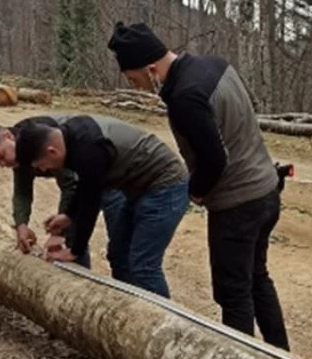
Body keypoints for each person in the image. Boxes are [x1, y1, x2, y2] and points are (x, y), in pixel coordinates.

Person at [107, 22, 290, 350]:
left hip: (237, 204)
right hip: (266, 190)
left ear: (152, 69)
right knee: (257, 278)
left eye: (136, 81)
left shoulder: (184, 96)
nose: (140, 89)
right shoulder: (214, 65)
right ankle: (282, 354)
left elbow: (215, 159)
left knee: (232, 292)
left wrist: (196, 191)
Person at [14, 114, 189, 298]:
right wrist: (69, 216)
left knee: (143, 265)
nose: (43, 171)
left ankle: (165, 320)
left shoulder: (88, 148)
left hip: (165, 186)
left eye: (41, 165)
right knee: (118, 254)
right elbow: (85, 184)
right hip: (139, 189)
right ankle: (128, 307)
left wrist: (75, 250)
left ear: (51, 151)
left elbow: (91, 201)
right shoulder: (70, 137)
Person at [0, 115, 126, 268]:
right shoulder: (19, 150)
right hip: (86, 177)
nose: (2, 164)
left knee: (118, 247)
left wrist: (58, 233)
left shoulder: (39, 144)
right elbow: (22, 191)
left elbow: (73, 187)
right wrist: (21, 225)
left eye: (1, 156)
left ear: (8, 136)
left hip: (108, 173)